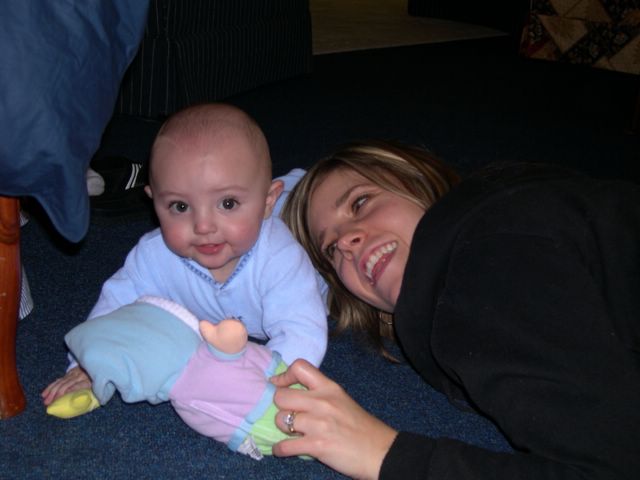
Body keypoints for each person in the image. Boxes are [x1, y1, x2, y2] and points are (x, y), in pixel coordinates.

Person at [269, 140, 640, 479]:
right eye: (331, 249)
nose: (346, 243)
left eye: (360, 202)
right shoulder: (514, 224)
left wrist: (381, 453)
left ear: (416, 182)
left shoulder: (485, 262)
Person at [41, 103, 328, 409]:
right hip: (222, 324)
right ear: (154, 203)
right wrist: (89, 364)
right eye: (180, 206)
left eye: (228, 203)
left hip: (315, 275)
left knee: (315, 225)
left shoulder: (282, 259)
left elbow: (302, 332)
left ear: (266, 201)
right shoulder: (154, 255)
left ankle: (295, 188)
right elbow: (115, 304)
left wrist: (262, 387)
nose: (203, 226)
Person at [47, 295, 300, 460]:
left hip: (264, 405)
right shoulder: (183, 385)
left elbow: (235, 341)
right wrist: (85, 370)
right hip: (253, 422)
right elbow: (117, 297)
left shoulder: (201, 361)